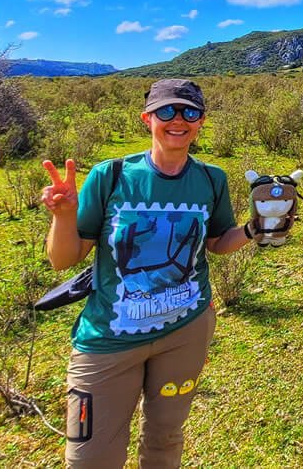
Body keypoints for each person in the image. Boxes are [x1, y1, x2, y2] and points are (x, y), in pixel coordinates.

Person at [40, 79, 262, 468]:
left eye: (189, 112)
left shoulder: (212, 179)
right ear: (147, 119)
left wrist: (252, 230)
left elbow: (215, 242)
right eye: (167, 111)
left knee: (164, 441)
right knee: (90, 458)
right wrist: (62, 216)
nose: (178, 120)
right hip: (109, 341)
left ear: (201, 122)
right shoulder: (111, 176)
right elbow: (64, 259)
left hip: (185, 332)